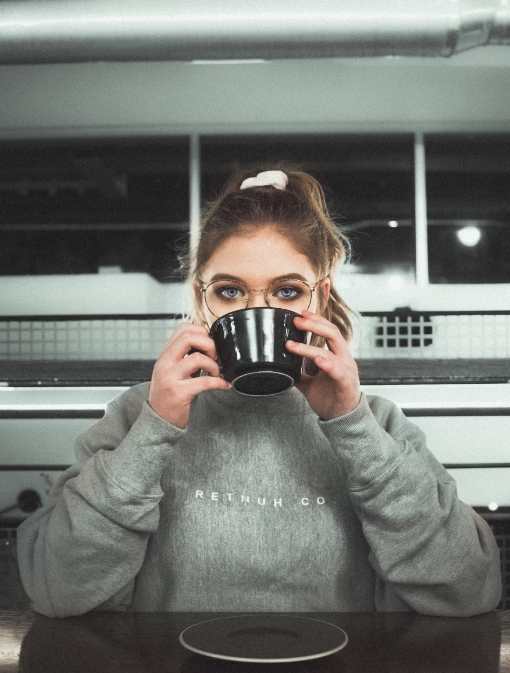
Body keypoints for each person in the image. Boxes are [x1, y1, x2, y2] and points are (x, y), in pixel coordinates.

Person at [17, 169, 502, 618]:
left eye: (287, 291)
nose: (258, 311)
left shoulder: (375, 422)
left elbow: (468, 590)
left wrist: (352, 425)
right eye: (229, 291)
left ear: (321, 296)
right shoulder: (138, 415)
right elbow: (56, 588)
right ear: (198, 297)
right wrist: (155, 428)